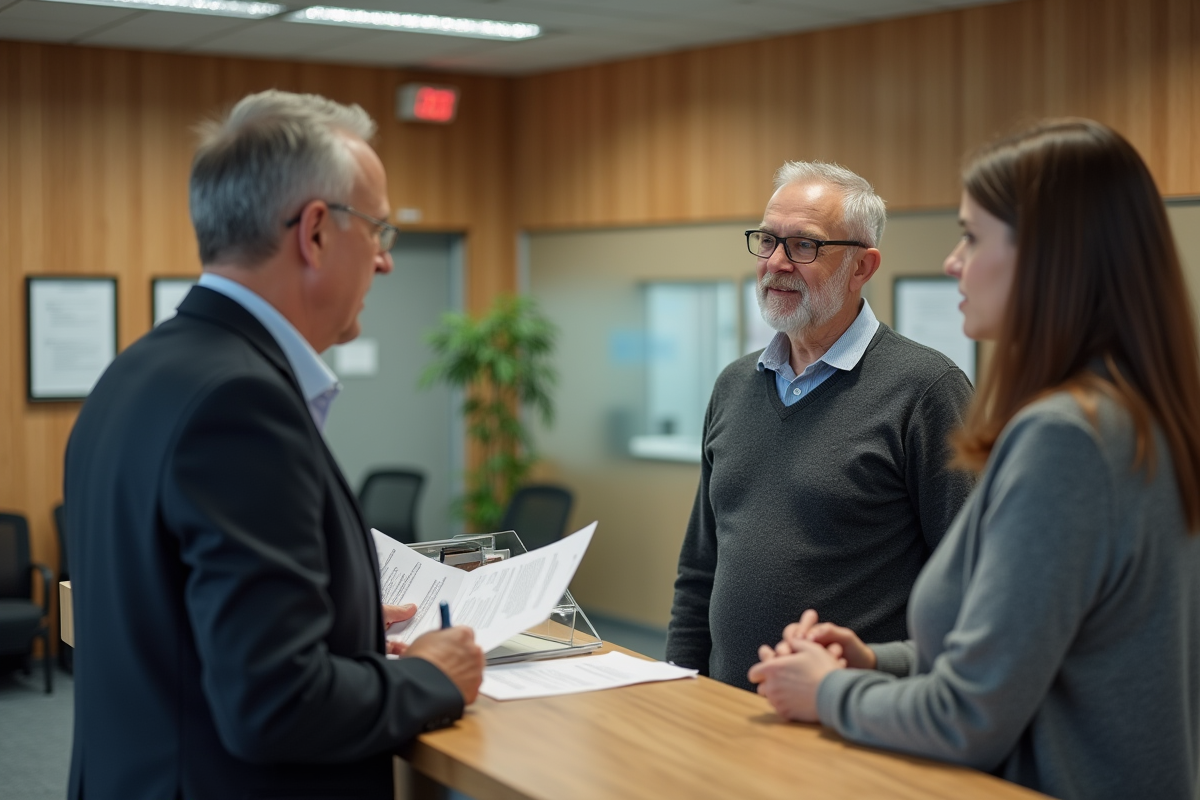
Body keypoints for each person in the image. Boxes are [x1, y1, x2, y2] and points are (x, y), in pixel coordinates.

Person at [748, 119, 1200, 800]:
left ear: (1052, 257)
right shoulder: (1137, 413)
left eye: (972, 236)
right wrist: (880, 661)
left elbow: (969, 716)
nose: (952, 262)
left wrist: (833, 691)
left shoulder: (1067, 438)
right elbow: (1028, 651)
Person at [63, 91, 485, 800]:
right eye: (378, 230)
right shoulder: (240, 403)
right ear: (315, 232)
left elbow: (178, 622)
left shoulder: (137, 371)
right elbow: (273, 704)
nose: (384, 263)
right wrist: (429, 676)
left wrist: (338, 621)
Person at [666, 161, 975, 690]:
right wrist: (678, 685)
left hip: (852, 719)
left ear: (862, 267)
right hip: (726, 714)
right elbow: (701, 567)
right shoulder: (734, 385)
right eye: (768, 241)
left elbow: (970, 585)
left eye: (804, 246)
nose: (777, 263)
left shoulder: (926, 390)